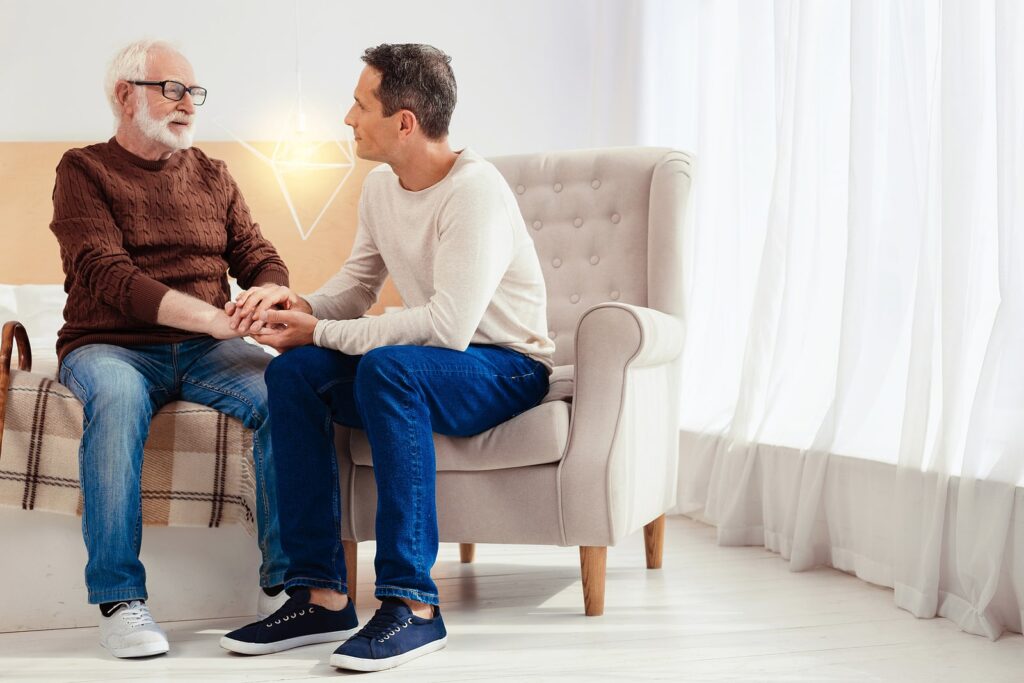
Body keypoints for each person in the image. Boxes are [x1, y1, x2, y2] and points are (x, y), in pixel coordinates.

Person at [218, 43, 554, 671]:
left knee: (388, 366)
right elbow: (356, 288)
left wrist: (317, 332)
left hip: (505, 366)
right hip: (428, 364)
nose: (347, 118)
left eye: (359, 103)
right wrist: (297, 308)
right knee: (292, 372)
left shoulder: (473, 191)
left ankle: (413, 605)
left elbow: (449, 329)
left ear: (404, 121)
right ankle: (320, 593)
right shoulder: (380, 186)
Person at [51, 40, 291, 658]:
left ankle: (287, 584)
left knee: (286, 397)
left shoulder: (213, 174)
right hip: (110, 344)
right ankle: (120, 599)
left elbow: (260, 257)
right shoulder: (82, 169)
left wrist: (267, 296)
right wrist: (214, 317)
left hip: (208, 348)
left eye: (194, 92)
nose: (188, 104)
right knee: (118, 404)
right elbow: (109, 276)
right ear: (125, 96)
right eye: (172, 89)